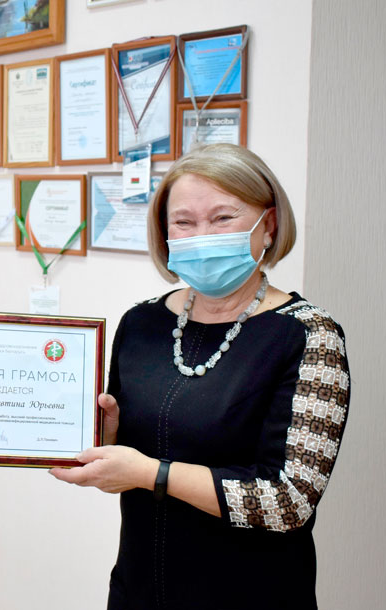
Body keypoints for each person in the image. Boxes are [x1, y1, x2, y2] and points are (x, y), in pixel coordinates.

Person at [51, 143, 350, 609]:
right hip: (139, 588)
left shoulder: (310, 335)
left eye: (223, 217)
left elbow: (288, 500)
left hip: (252, 595)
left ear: (269, 225)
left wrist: (150, 473)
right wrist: (103, 435)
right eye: (184, 222)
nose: (202, 235)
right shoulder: (141, 323)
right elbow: (134, 449)